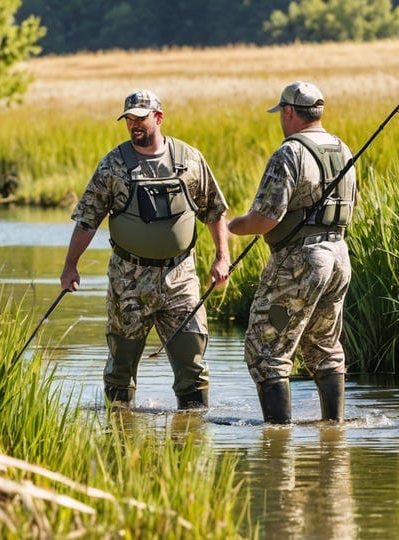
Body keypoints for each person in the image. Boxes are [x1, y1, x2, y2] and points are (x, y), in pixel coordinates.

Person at [59, 89, 231, 410]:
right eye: (129, 120)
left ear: (158, 118)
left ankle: (190, 437)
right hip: (129, 280)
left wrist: (223, 257)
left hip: (181, 279)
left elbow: (214, 211)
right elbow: (87, 221)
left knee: (192, 366)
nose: (134, 125)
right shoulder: (113, 165)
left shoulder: (190, 160)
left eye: (140, 118)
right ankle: (121, 438)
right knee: (121, 370)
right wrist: (71, 267)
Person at [228, 81, 357, 424]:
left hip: (300, 260)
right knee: (324, 347)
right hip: (339, 255)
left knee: (265, 350)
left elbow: (265, 218)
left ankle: (277, 436)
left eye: (280, 115)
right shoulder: (343, 149)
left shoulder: (290, 152)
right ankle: (334, 428)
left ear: (288, 112)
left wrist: (233, 226)